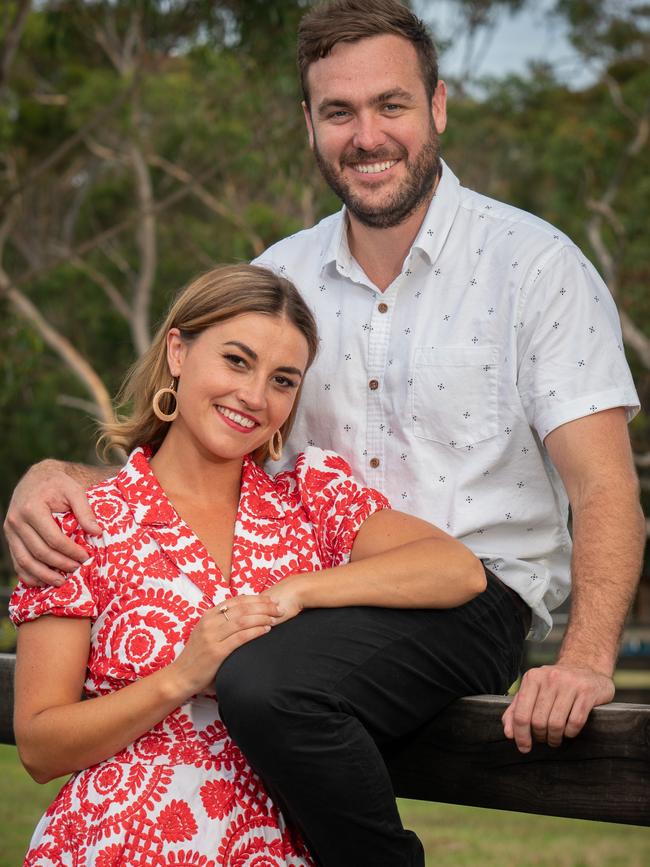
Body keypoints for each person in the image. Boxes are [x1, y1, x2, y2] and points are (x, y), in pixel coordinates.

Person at [4, 1, 644, 865]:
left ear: (439, 107)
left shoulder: (533, 265)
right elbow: (202, 437)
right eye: (339, 112)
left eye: (391, 105)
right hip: (323, 599)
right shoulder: (282, 274)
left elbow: (604, 487)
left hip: (470, 593)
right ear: (310, 123)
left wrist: (586, 660)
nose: (366, 134)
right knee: (263, 683)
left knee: (268, 685)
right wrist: (53, 474)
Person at [9, 263, 486, 866]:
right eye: (237, 361)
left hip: (272, 845)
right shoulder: (82, 519)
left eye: (283, 380)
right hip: (115, 841)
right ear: (178, 352)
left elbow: (457, 569)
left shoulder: (311, 503)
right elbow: (39, 745)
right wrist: (180, 677)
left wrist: (299, 591)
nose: (255, 397)